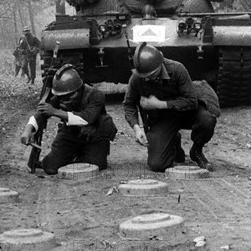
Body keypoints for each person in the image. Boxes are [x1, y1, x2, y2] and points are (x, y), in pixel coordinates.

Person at [123, 42, 217, 172]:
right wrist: (137, 129)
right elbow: (129, 104)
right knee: (158, 164)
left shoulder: (177, 69)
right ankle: (173, 142)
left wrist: (159, 104)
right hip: (162, 119)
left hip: (186, 113)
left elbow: (191, 101)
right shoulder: (137, 78)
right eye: (145, 77)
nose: (148, 79)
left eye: (151, 75)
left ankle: (197, 151)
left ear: (160, 65)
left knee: (207, 120)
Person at [20, 65, 117, 174]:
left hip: (95, 136)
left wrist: (55, 111)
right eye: (62, 97)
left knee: (96, 165)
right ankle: (71, 155)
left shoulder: (96, 95)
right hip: (71, 134)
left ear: (78, 90)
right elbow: (42, 112)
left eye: (68, 97)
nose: (64, 100)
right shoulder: (62, 95)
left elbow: (86, 119)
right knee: (50, 167)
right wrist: (28, 130)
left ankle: (80, 155)